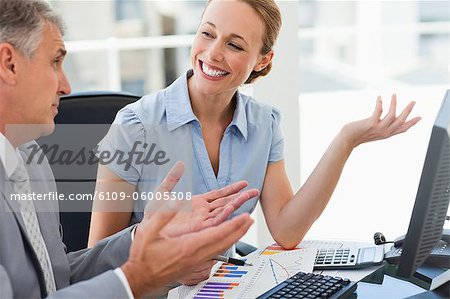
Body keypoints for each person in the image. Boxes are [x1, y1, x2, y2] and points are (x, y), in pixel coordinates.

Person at [90, 0, 420, 257]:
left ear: (261, 61)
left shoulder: (264, 125)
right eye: (207, 33)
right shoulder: (135, 125)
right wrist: (164, 250)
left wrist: (346, 141)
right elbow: (98, 255)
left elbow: (287, 231)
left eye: (234, 45)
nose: (213, 53)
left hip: (223, 287)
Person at [0, 0, 256, 298]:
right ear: (9, 63)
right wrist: (139, 277)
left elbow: (56, 281)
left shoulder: (29, 160)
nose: (66, 86)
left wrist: (144, 238)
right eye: (55, 62)